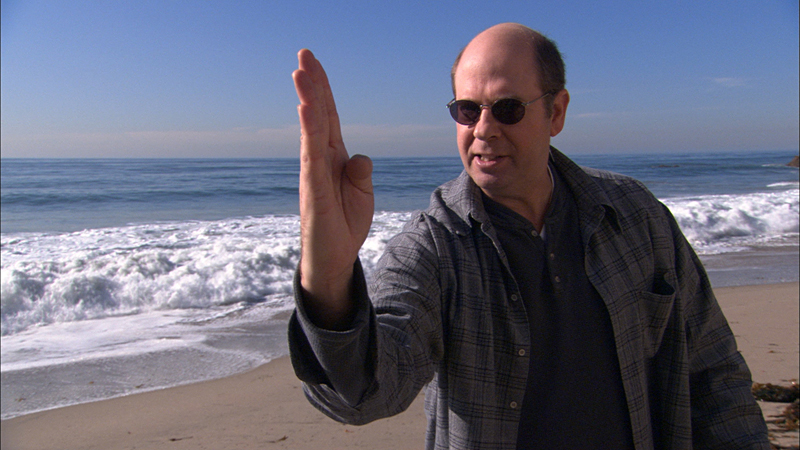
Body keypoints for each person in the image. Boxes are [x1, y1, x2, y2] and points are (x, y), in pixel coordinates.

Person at [288, 23, 770, 450]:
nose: (483, 129)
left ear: (556, 112)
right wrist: (328, 279)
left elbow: (713, 367)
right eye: (466, 109)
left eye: (507, 109)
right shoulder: (434, 247)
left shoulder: (635, 216)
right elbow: (367, 395)